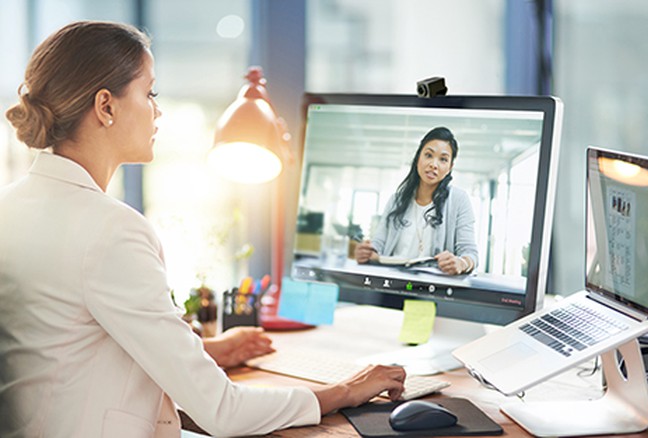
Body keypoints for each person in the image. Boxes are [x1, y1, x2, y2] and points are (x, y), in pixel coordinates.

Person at [0, 21, 405, 438]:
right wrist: (345, 391)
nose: (158, 110)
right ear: (106, 106)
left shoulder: (10, 207)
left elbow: (64, 345)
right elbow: (221, 411)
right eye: (149, 93)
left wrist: (208, 351)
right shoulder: (110, 230)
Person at [355, 126, 478, 275]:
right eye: (428, 155)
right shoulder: (396, 200)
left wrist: (461, 262)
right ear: (418, 157)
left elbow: (470, 253)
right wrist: (367, 253)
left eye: (443, 159)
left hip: (432, 288)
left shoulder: (459, 200)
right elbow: (378, 245)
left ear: (450, 167)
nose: (434, 164)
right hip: (391, 283)